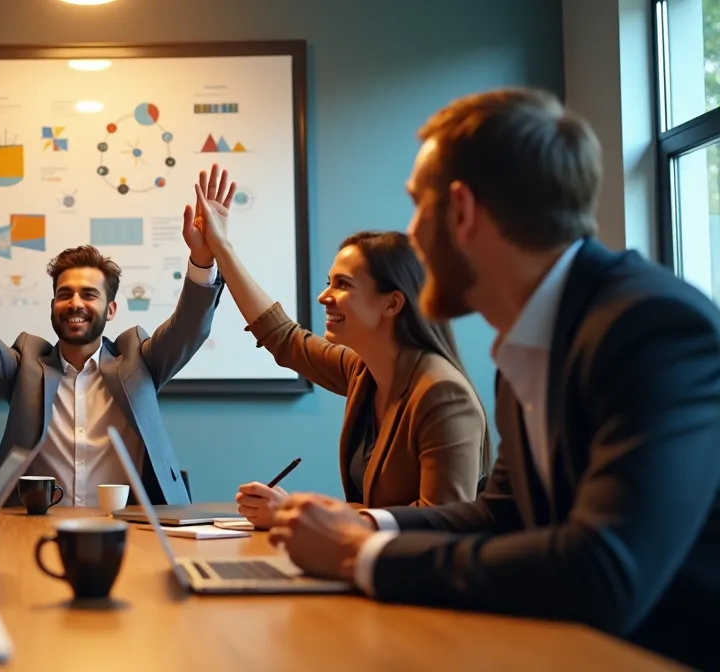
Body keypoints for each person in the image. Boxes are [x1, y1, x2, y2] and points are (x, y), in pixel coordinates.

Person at [268, 88, 720, 671]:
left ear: (461, 211)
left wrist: (361, 552)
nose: (412, 235)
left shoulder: (652, 328)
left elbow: (605, 571)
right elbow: (497, 514)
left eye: (417, 205)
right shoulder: (533, 339)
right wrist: (363, 522)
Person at [190, 166, 489, 529]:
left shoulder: (443, 395)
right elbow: (281, 337)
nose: (324, 296)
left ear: (392, 304)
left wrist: (300, 514)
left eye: (343, 285)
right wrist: (220, 248)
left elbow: (443, 521)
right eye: (329, 282)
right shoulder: (364, 371)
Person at [0, 180, 224, 507]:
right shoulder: (25, 368)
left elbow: (188, 328)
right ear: (53, 306)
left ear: (110, 309)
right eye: (64, 294)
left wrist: (203, 259)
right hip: (32, 528)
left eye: (89, 294)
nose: (75, 303)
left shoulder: (140, 363)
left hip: (132, 526)